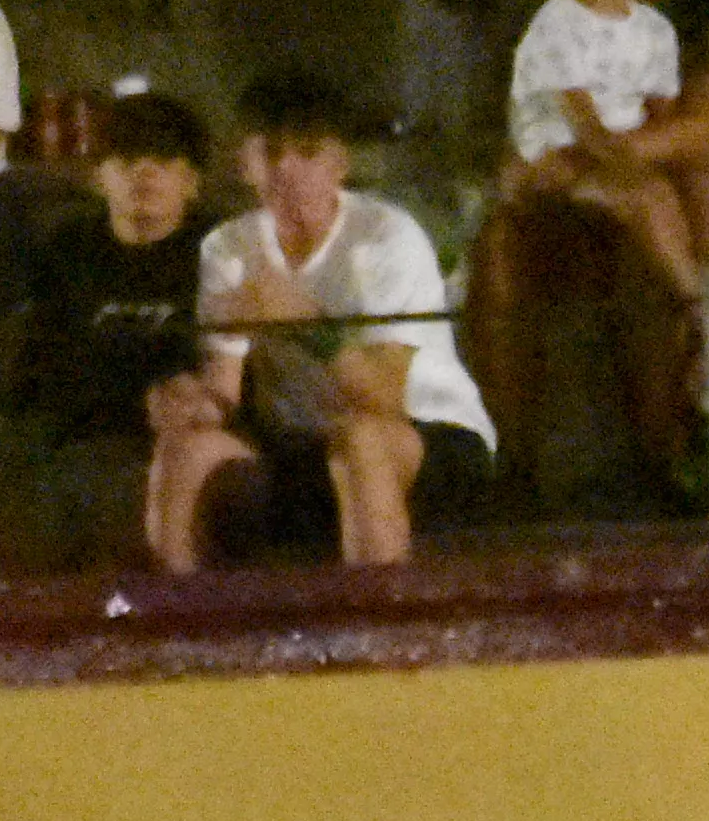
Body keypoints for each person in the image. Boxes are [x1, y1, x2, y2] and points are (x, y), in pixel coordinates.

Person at [164, 64, 500, 566]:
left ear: (340, 163)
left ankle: (379, 626)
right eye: (271, 153)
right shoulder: (228, 247)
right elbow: (226, 387)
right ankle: (165, 628)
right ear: (245, 164)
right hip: (304, 442)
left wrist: (307, 323)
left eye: (307, 152)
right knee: (187, 449)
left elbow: (383, 395)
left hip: (426, 431)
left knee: (361, 439)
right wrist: (194, 403)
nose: (287, 170)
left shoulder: (387, 238)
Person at [469, 0, 709, 505]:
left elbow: (663, 119)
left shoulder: (655, 30)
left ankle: (689, 342)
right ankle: (705, 309)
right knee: (641, 196)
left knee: (653, 197)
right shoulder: (556, 25)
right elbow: (582, 125)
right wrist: (626, 158)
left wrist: (641, 157)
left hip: (616, 166)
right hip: (560, 166)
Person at [0, 82, 214, 570]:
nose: (143, 174)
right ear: (99, 177)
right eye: (125, 161)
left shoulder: (217, 248)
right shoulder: (68, 249)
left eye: (161, 163)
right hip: (78, 439)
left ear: (191, 181)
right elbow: (43, 359)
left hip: (178, 440)